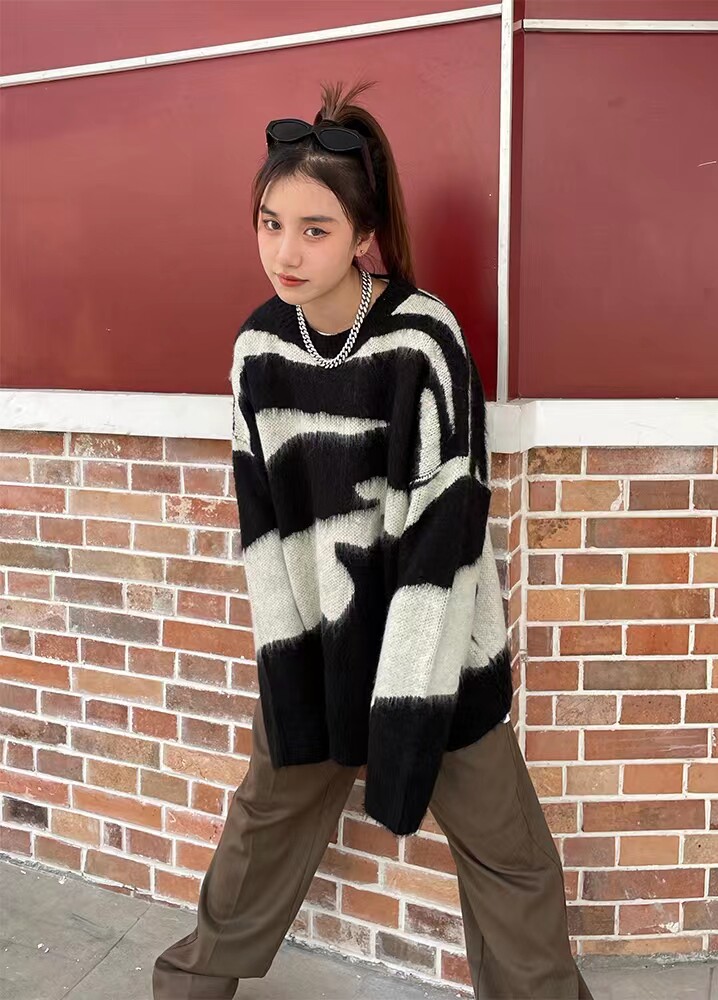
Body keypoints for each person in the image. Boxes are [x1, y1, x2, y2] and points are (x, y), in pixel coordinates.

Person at [153, 79, 593, 1000]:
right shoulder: (257, 350)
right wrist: (291, 664)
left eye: (314, 230)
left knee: (511, 859)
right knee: (260, 830)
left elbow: (445, 535)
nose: (285, 251)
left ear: (362, 235)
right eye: (271, 223)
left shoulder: (423, 342)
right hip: (319, 645)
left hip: (437, 653)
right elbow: (262, 526)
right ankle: (187, 991)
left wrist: (404, 705)